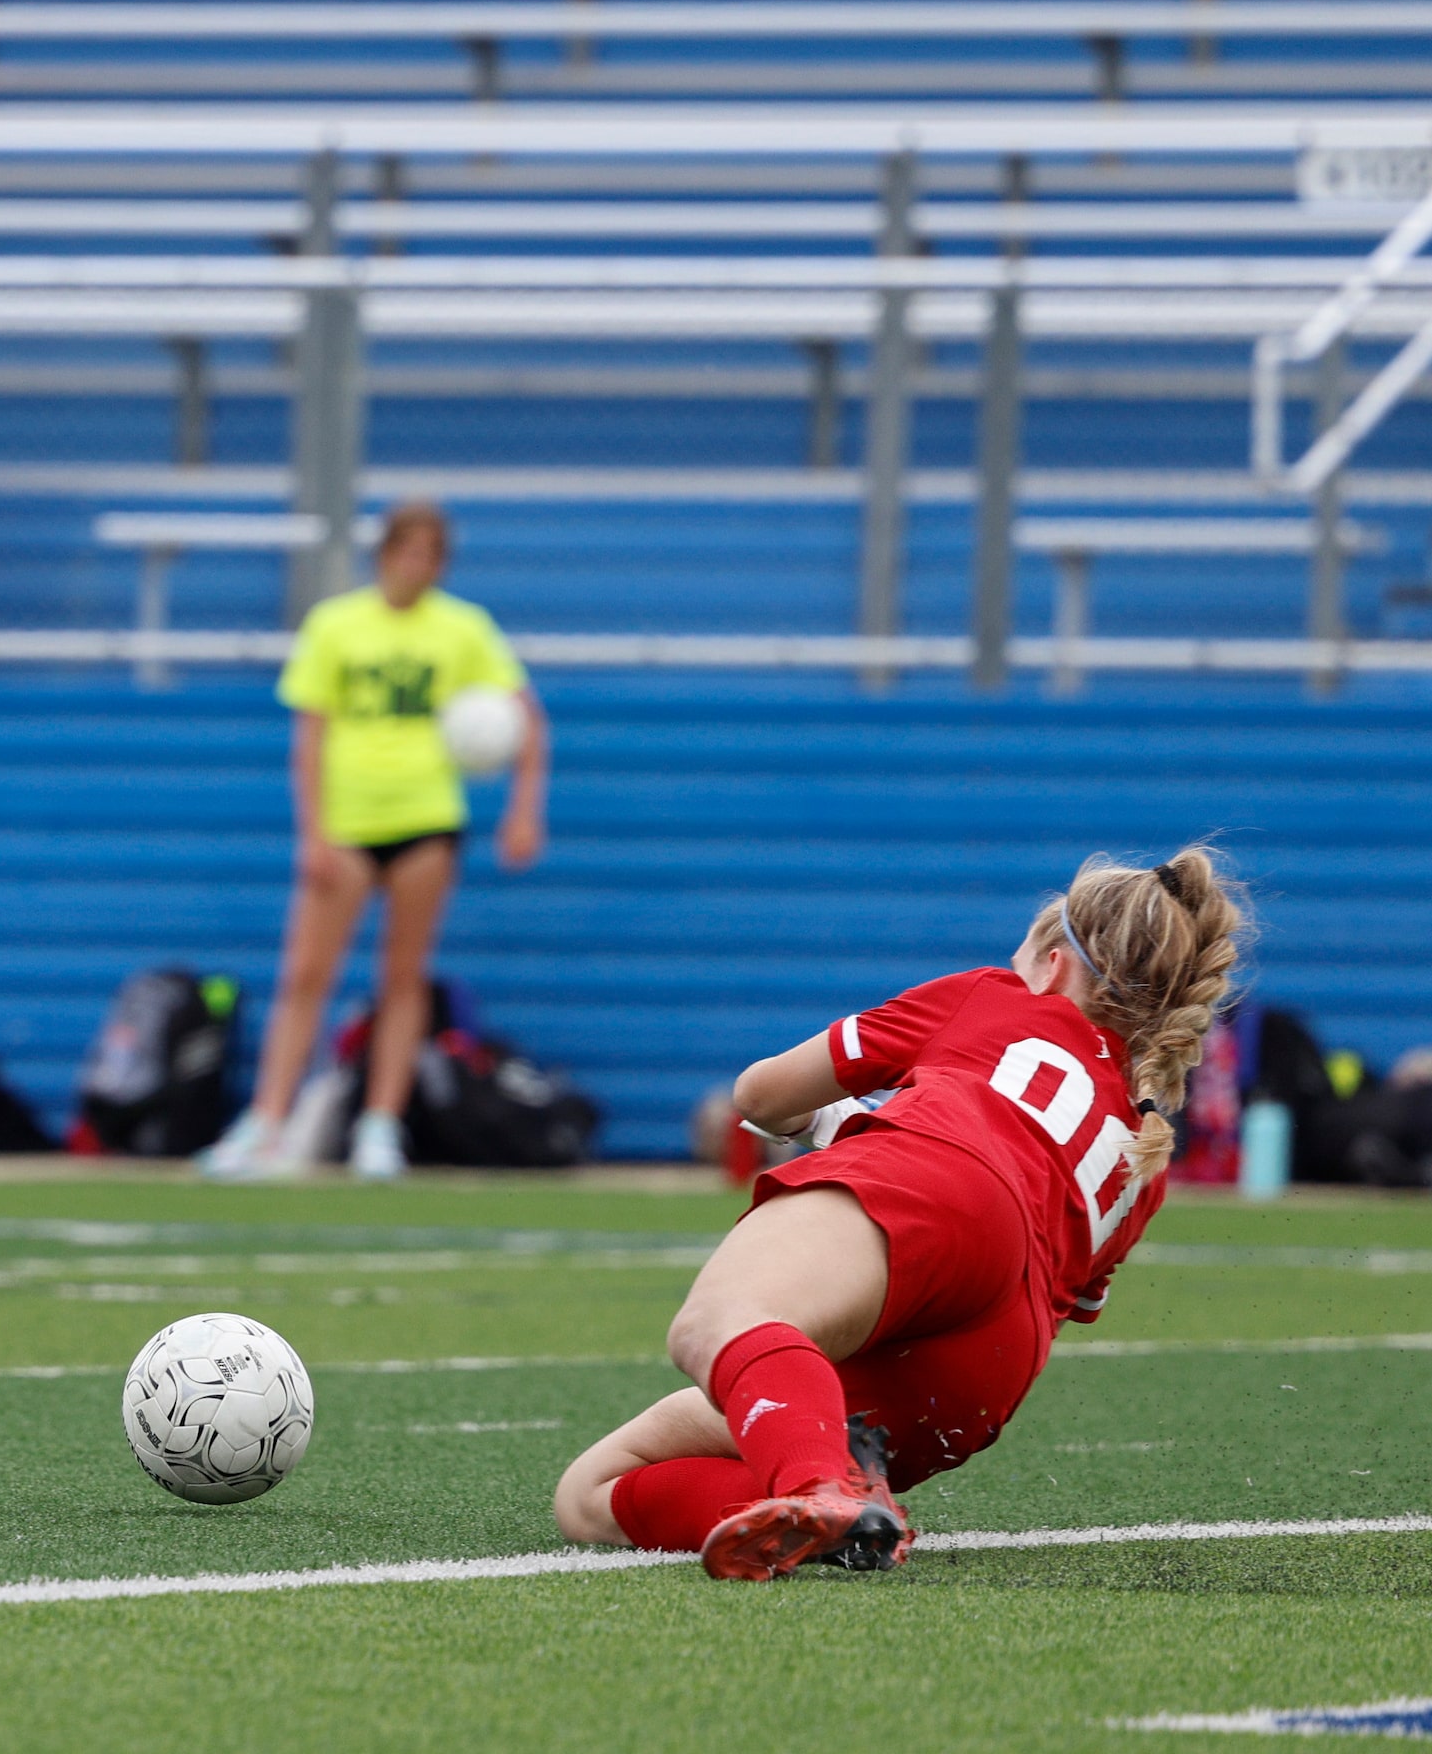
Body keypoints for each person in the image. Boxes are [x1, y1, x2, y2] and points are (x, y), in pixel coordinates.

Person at [552, 847, 1246, 1580]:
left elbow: (758, 1096)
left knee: (721, 1319)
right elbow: (1053, 1275)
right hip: (986, 1366)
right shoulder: (1144, 1153)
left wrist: (826, 1121)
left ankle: (815, 1481)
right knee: (588, 1494)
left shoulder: (992, 996)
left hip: (944, 1181)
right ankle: (843, 1503)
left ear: (1051, 961)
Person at [199, 503, 548, 1182]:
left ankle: (379, 1127)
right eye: (406, 551)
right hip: (348, 823)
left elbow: (525, 717)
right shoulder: (337, 624)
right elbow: (310, 734)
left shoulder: (462, 628)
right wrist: (313, 832)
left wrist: (522, 811)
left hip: (424, 817)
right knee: (306, 973)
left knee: (401, 978)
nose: (416, 566)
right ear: (384, 554)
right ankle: (265, 1122)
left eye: (430, 555)